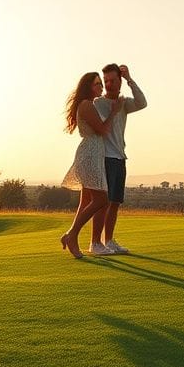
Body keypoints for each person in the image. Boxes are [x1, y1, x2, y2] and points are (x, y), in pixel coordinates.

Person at [59, 72, 124, 259]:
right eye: (97, 84)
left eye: (100, 85)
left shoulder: (88, 104)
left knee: (86, 201)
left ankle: (71, 236)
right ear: (88, 86)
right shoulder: (86, 105)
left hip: (94, 153)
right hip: (90, 154)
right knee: (102, 199)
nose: (101, 88)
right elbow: (103, 130)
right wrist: (114, 111)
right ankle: (71, 235)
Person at [89, 63, 147, 255]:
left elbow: (142, 102)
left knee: (114, 202)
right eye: (106, 81)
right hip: (105, 158)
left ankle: (109, 241)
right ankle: (95, 243)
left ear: (120, 82)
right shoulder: (98, 103)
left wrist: (130, 79)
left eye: (113, 80)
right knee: (103, 203)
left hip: (120, 158)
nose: (109, 84)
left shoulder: (124, 104)